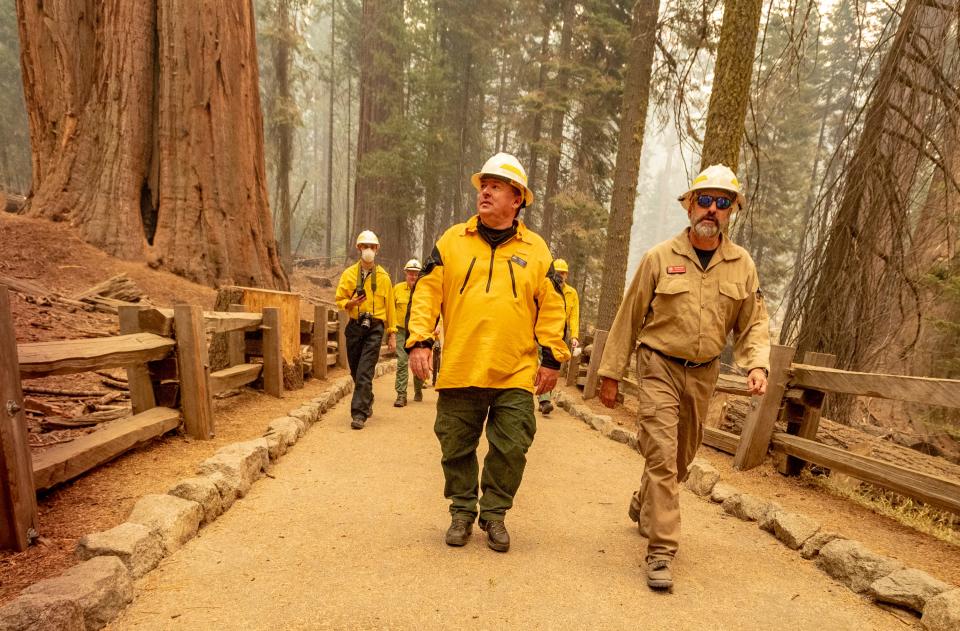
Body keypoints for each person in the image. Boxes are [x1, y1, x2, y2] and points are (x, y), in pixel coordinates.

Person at [597, 164, 771, 591]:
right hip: (658, 365)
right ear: (689, 204)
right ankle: (661, 551)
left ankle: (644, 502)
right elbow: (629, 316)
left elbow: (753, 323)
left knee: (679, 459)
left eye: (723, 202)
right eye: (705, 200)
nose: (712, 209)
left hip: (703, 374)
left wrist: (757, 364)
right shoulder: (659, 258)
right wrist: (610, 372)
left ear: (733, 211)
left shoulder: (741, 265)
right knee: (660, 452)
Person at [407, 152, 570, 552]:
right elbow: (426, 293)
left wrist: (551, 358)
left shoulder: (536, 250)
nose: (486, 191)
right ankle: (462, 510)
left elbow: (552, 306)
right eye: (484, 185)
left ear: (518, 199)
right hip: (461, 366)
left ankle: (494, 513)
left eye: (497, 186)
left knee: (513, 445)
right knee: (455, 446)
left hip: (514, 371)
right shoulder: (452, 241)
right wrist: (420, 340)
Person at [335, 230, 396, 430]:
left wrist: (392, 334)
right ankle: (367, 398)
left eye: (372, 246)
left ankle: (359, 413)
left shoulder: (385, 278)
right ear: (358, 248)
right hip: (355, 325)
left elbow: (390, 308)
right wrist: (350, 303)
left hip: (375, 327)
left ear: (377, 249)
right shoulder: (349, 274)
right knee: (355, 369)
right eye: (364, 246)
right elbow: (339, 300)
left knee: (364, 371)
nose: (368, 250)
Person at [537, 257, 580, 415]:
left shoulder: (572, 293)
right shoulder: (545, 287)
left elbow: (574, 316)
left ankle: (544, 395)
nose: (561, 275)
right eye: (559, 272)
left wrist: (574, 336)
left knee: (554, 362)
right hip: (543, 331)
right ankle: (545, 400)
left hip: (560, 333)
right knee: (544, 360)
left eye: (564, 273)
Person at [393, 258, 424, 407]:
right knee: (402, 362)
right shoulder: (397, 289)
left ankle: (418, 389)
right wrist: (390, 334)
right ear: (406, 273)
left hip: (417, 332)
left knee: (417, 362)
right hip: (401, 331)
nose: (413, 276)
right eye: (410, 273)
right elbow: (391, 311)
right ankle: (401, 394)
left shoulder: (424, 291)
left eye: (416, 274)